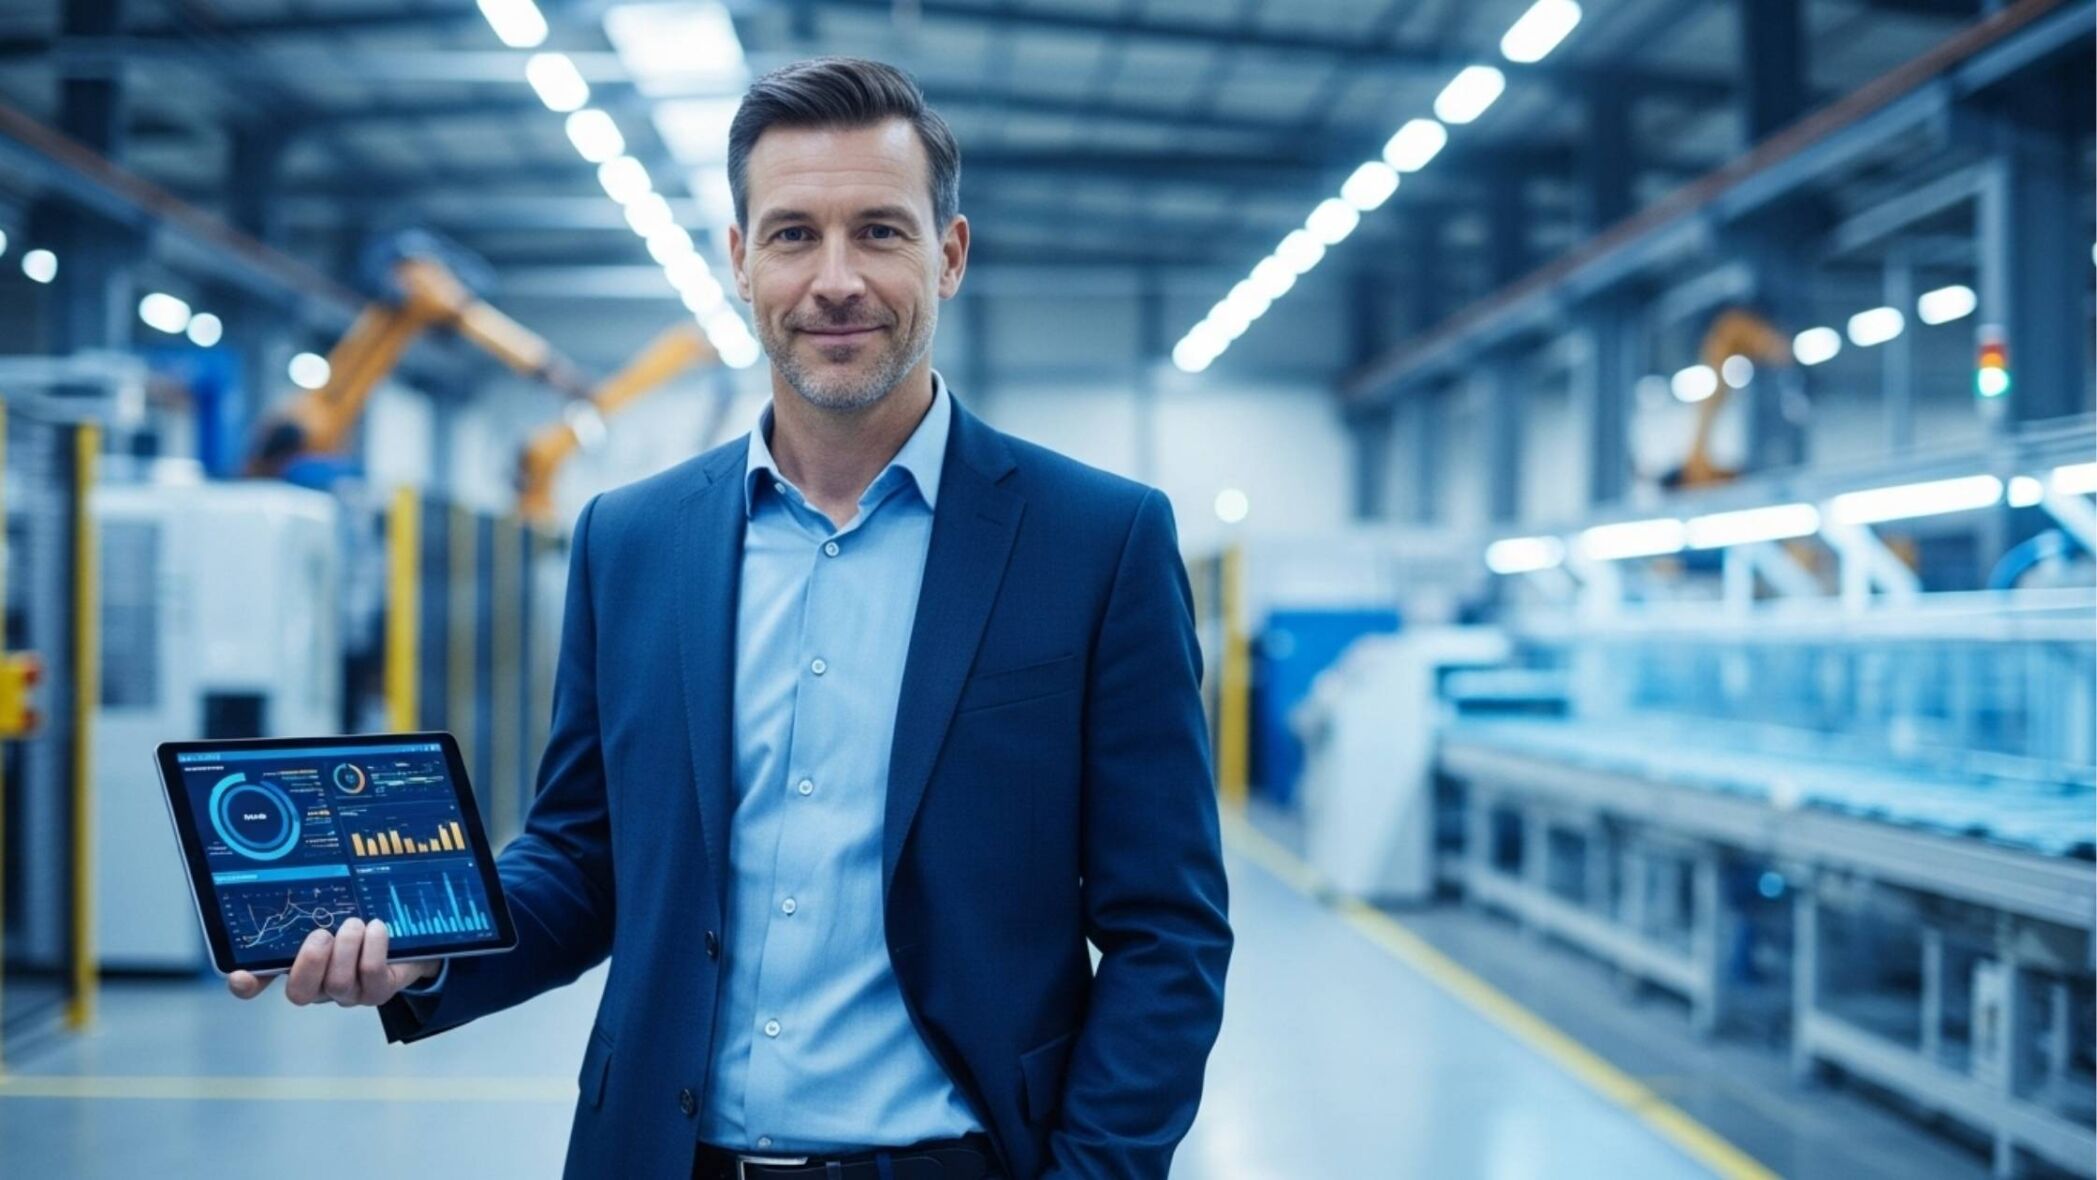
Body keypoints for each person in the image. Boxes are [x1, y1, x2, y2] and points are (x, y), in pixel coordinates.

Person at [230, 56, 1232, 1180]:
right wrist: (420, 949)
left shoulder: (1096, 542)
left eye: (882, 233)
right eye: (795, 233)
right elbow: (581, 856)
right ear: (741, 260)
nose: (836, 279)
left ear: (949, 256)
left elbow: (1168, 929)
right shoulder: (634, 539)